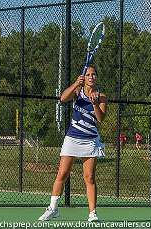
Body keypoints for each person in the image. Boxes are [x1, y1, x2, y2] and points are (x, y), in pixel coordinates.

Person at [38, 65, 107, 222]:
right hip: (72, 138)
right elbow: (62, 98)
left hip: (90, 140)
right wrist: (76, 84)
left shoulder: (101, 96)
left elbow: (101, 119)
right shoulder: (78, 91)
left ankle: (92, 213)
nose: (91, 77)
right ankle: (53, 209)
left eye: (94, 74)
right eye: (88, 74)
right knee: (62, 174)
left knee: (89, 177)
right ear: (84, 77)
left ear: (96, 77)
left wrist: (95, 103)